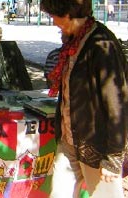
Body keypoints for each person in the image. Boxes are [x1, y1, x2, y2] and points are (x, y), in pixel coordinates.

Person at [40, 0, 128, 197]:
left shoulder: (102, 44)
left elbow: (117, 104)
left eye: (52, 16)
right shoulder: (74, 40)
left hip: (96, 147)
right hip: (69, 142)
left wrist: (113, 158)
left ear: (66, 12)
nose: (53, 22)